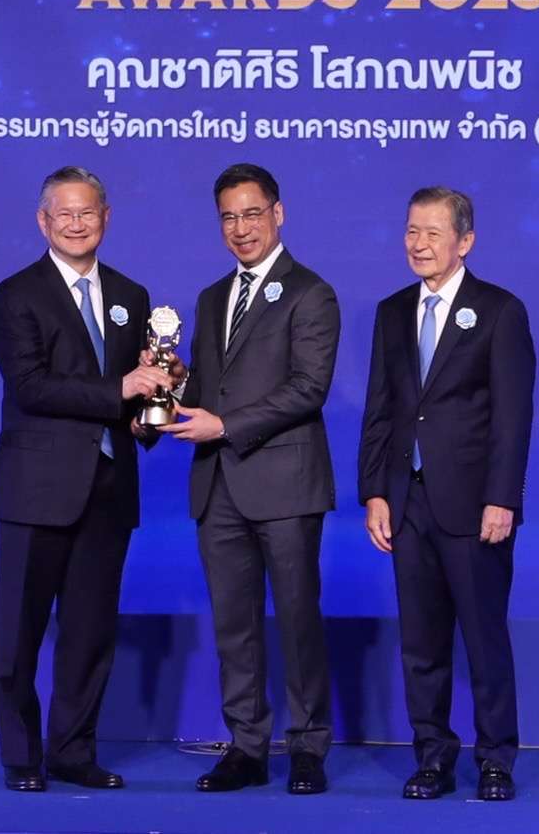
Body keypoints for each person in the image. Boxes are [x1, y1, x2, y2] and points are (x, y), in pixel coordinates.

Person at [0, 166, 173, 792]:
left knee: (90, 632)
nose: (75, 223)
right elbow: (31, 387)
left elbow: (136, 393)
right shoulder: (17, 294)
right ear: (43, 221)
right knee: (19, 632)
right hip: (35, 489)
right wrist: (120, 388)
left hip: (108, 488)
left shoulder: (131, 295)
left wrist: (152, 408)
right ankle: (21, 755)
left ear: (106, 218)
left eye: (86, 212)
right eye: (63, 213)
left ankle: (72, 751)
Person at [159, 163, 340, 795]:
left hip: (285, 484)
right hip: (219, 489)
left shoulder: (311, 293)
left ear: (278, 214)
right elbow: (212, 388)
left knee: (296, 620)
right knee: (233, 626)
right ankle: (246, 747)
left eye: (253, 214)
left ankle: (308, 747)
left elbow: (309, 388)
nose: (241, 228)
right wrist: (172, 387)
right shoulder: (212, 298)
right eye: (229, 218)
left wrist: (225, 425)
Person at [357, 186, 536, 802]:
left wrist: (502, 498)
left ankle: (496, 760)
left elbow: (513, 416)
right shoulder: (391, 311)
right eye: (412, 231)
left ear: (465, 241)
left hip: (475, 505)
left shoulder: (500, 311)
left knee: (484, 640)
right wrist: (375, 493)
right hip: (407, 504)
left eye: (433, 233)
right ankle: (432, 756)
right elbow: (380, 410)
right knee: (421, 643)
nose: (419, 244)